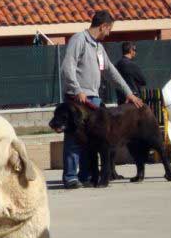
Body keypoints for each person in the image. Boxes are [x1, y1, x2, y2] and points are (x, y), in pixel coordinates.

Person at [61, 10, 143, 189]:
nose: (109, 33)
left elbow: (110, 71)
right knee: (74, 138)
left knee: (90, 141)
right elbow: (68, 67)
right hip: (77, 99)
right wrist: (77, 90)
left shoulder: (98, 47)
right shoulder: (79, 40)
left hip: (94, 100)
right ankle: (70, 177)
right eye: (109, 29)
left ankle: (86, 175)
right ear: (103, 26)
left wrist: (128, 93)